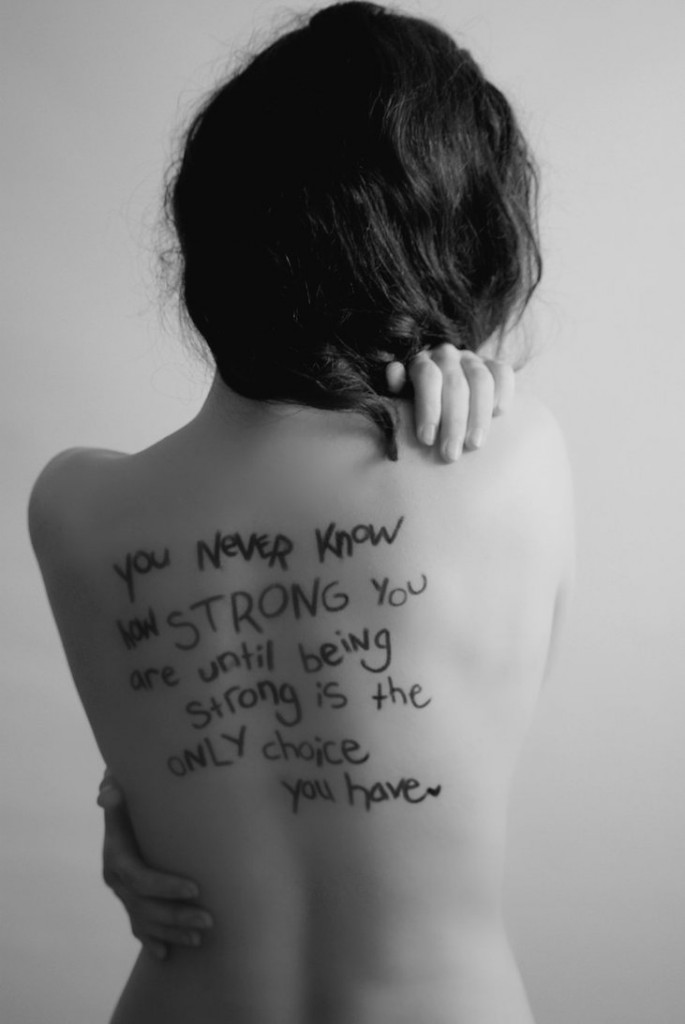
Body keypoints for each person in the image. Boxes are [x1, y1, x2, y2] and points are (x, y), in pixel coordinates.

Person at [29, 4, 574, 1024]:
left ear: (209, 228)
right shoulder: (516, 460)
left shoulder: (73, 504)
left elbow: (201, 715)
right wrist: (457, 354)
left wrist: (128, 792)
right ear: (465, 240)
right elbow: (456, 709)